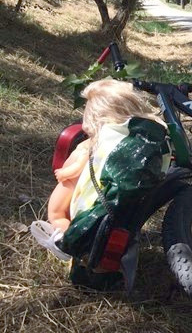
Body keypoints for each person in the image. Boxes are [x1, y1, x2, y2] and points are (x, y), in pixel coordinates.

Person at [30, 79, 170, 261]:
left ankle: (65, 238)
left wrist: (68, 171)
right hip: (107, 205)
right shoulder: (133, 138)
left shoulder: (99, 141)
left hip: (77, 190)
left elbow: (82, 162)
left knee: (56, 214)